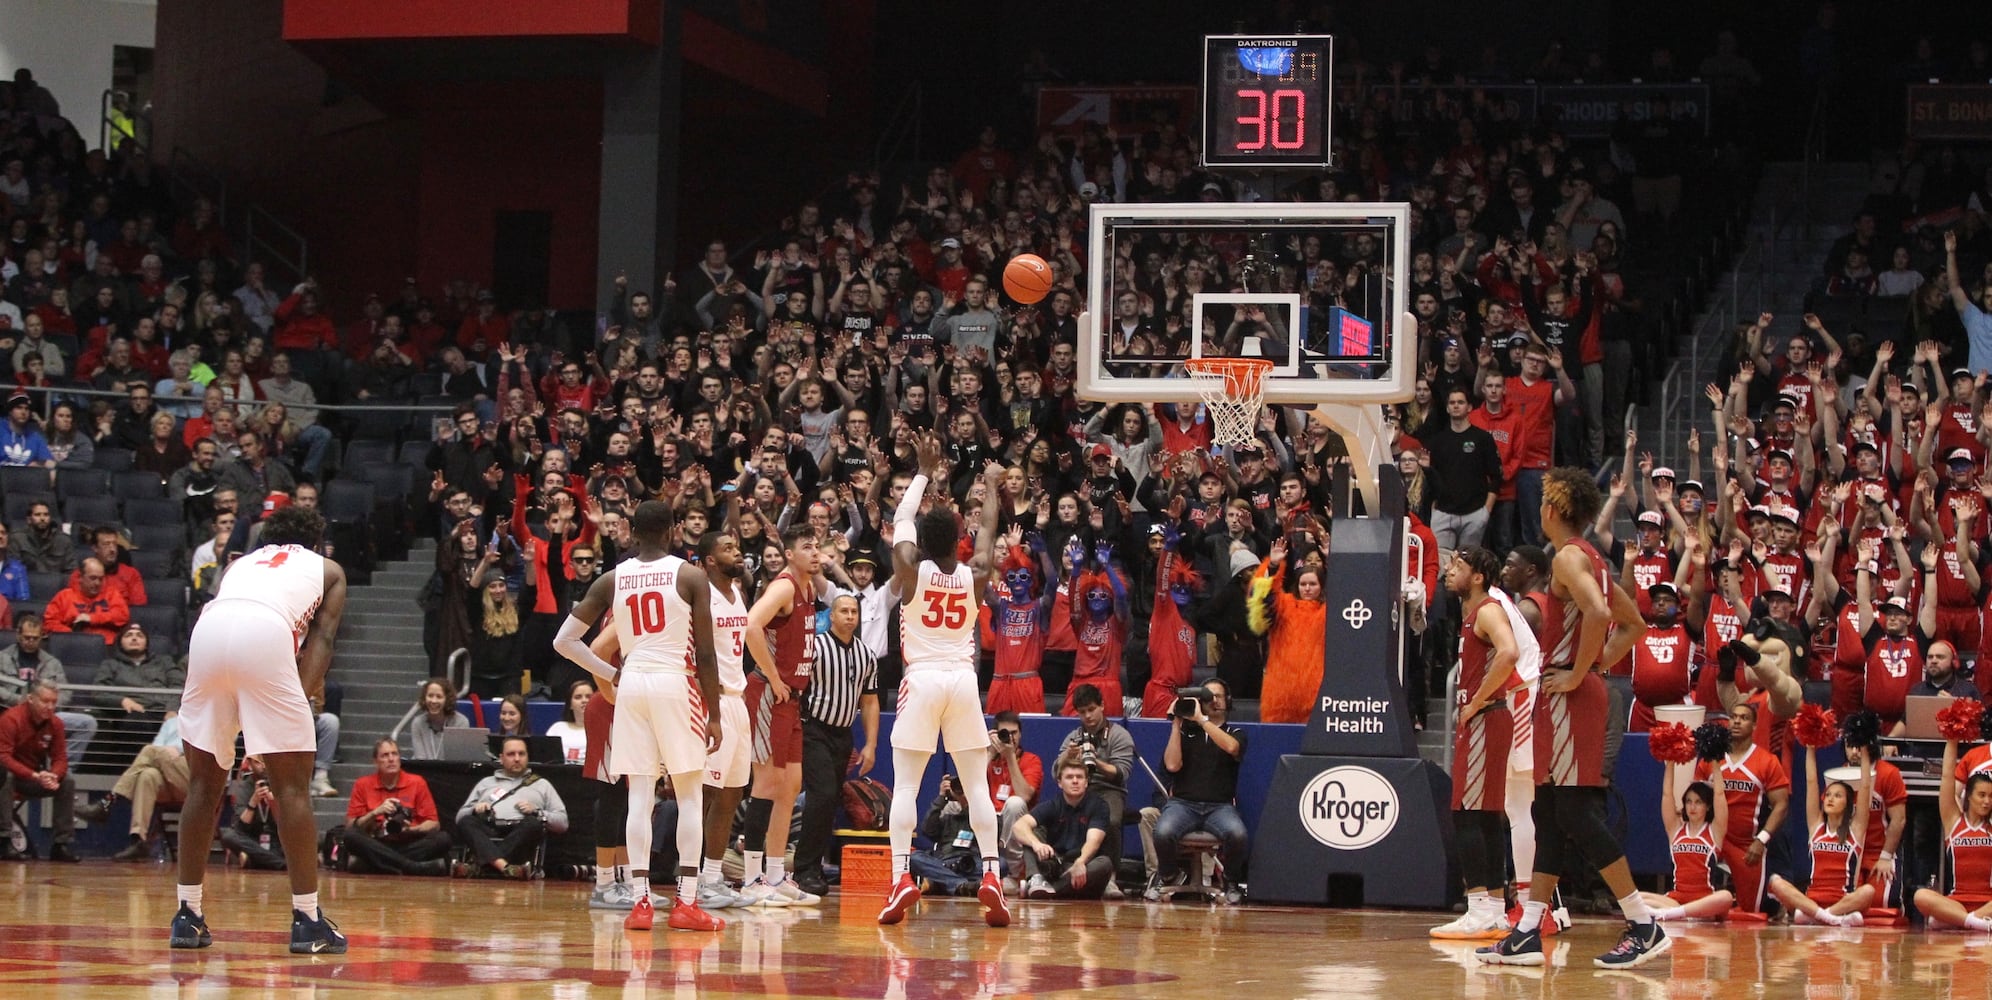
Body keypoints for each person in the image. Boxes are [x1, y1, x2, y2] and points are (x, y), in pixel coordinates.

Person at [1480, 468, 1664, 970]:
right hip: (1572, 693)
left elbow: (1602, 616)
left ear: (1553, 511)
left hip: (1571, 696)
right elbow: (1635, 624)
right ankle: (1526, 931)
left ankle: (1643, 922)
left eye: (1542, 504)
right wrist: (1598, 666)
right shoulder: (1593, 558)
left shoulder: (1566, 557)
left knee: (1578, 814)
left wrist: (1581, 671)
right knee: (1551, 815)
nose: (1538, 511)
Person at [169, 505, 348, 953]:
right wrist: (294, 705)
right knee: (292, 789)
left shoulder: (237, 563)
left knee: (202, 786)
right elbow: (322, 643)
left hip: (208, 631)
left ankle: (187, 916)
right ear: (316, 541)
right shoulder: (328, 569)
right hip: (267, 631)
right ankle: (308, 920)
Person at [553, 500, 726, 933]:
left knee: (639, 796)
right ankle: (687, 902)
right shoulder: (690, 576)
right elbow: (705, 652)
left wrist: (612, 673)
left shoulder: (614, 577)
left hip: (632, 686)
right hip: (675, 681)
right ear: (672, 530)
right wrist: (716, 713)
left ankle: (640, 902)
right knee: (688, 793)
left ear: (631, 530)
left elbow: (565, 641)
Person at [877, 435, 1009, 927]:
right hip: (962, 680)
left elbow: (901, 521)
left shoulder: (911, 572)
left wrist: (923, 472)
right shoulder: (975, 572)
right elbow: (990, 531)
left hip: (923, 678)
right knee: (977, 786)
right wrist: (992, 486)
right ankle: (993, 874)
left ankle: (900, 880)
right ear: (959, 540)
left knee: (907, 786)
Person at [1433, 547, 1533, 939]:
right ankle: (1492, 909)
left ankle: (1478, 908)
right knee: (1488, 814)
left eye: (1457, 566)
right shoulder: (1475, 612)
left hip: (1486, 717)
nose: (1448, 571)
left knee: (1467, 813)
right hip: (1490, 719)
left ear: (1477, 577)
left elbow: (1510, 652)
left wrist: (1476, 701)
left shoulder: (1488, 610)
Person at [736, 526, 824, 906]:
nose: (816, 551)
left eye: (817, 545)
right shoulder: (785, 586)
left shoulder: (811, 588)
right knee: (768, 784)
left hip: (792, 698)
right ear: (789, 554)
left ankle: (775, 875)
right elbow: (750, 625)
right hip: (770, 694)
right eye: (807, 547)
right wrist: (773, 676)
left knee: (791, 785)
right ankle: (751, 878)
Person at [792, 592, 880, 898]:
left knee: (830, 802)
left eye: (854, 611)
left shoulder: (866, 655)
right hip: (813, 729)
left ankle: (813, 868)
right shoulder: (815, 647)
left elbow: (869, 701)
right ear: (832, 615)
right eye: (843, 611)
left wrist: (870, 744)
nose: (850, 616)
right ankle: (804, 870)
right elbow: (796, 688)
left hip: (844, 734)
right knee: (822, 794)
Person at [690, 531, 757, 909]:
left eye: (737, 547)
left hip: (738, 699)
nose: (737, 552)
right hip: (711, 703)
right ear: (710, 561)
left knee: (732, 793)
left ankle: (713, 878)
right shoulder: (703, 596)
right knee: (704, 793)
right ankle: (692, 878)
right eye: (728, 549)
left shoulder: (737, 594)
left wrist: (733, 500)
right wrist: (711, 711)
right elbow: (704, 657)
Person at [1148, 678, 1249, 901]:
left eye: (1218, 696)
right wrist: (1176, 723)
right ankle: (1168, 876)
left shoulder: (1236, 731)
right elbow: (1172, 765)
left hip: (1219, 806)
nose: (1213, 700)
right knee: (1162, 832)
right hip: (1183, 804)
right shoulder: (1186, 732)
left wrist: (1203, 721)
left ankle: (1231, 882)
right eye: (1207, 696)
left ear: (1228, 700)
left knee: (1238, 834)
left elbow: (1232, 747)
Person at [1767, 744, 1875, 925]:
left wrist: (1864, 751)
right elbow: (1811, 781)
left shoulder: (1855, 830)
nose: (1830, 798)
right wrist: (1810, 747)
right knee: (1776, 882)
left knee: (1868, 891)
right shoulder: (1816, 827)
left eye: (1838, 795)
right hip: (1812, 901)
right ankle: (1831, 919)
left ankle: (1821, 916)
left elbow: (1865, 786)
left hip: (1843, 901)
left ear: (1848, 803)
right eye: (1829, 794)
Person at [454, 736, 568, 878]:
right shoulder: (486, 783)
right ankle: (506, 868)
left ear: (527, 757)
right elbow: (459, 818)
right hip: (489, 828)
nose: (517, 758)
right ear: (501, 758)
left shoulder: (542, 784)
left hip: (520, 832)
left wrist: (537, 812)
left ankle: (480, 867)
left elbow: (563, 823)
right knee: (467, 821)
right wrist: (474, 809)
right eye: (511, 754)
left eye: (521, 754)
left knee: (533, 824)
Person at [342, 738, 455, 877]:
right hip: (378, 842)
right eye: (385, 755)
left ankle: (377, 865)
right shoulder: (362, 784)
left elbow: (434, 824)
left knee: (443, 839)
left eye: (394, 754)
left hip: (408, 842)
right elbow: (351, 826)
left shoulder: (417, 782)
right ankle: (411, 867)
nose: (391, 759)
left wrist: (411, 830)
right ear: (375, 762)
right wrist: (374, 813)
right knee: (350, 836)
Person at [82, 716, 191, 861]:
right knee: (147, 775)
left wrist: (177, 750)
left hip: (196, 781)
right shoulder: (171, 722)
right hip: (168, 776)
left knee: (150, 751)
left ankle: (108, 802)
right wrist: (165, 754)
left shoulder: (210, 721)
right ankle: (138, 840)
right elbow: (157, 746)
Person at [1639, 763, 1735, 922]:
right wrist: (1670, 763)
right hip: (1676, 899)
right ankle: (1681, 913)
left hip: (1704, 901)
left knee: (1725, 897)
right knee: (1637, 897)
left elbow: (1719, 794)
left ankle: (1672, 914)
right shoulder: (1675, 830)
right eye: (1689, 801)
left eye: (1698, 802)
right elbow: (1667, 795)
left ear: (1708, 806)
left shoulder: (1714, 831)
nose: (1692, 806)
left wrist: (1716, 763)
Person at [1914, 735, 1992, 930]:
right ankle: (1973, 922)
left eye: (1991, 796)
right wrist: (1952, 739)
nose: (1987, 801)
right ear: (1969, 796)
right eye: (1981, 795)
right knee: (1920, 895)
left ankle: (1959, 920)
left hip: (1989, 904)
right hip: (1956, 901)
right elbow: (1947, 776)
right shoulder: (1954, 822)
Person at [0, 614, 97, 765]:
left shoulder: (52, 663)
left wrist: (46, 706)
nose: (30, 642)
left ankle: (62, 769)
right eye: (26, 637)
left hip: (46, 717)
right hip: (9, 713)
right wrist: (18, 700)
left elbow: (65, 692)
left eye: (35, 638)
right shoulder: (2, 658)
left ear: (42, 637)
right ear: (18, 635)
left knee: (87, 723)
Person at [1251, 537, 1328, 724]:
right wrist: (1273, 566)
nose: (1307, 589)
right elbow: (1262, 600)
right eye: (1303, 584)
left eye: (1313, 584)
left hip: (1316, 696)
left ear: (1322, 586)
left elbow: (1346, 594)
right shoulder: (1285, 605)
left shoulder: (1327, 611)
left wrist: (1332, 561)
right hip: (1279, 695)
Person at [0, 680, 78, 861]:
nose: (50, 706)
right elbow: (3, 757)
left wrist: (53, 775)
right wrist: (34, 775)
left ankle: (61, 844)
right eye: (45, 701)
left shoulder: (56, 724)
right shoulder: (11, 719)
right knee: (7, 776)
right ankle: (4, 840)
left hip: (34, 778)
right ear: (30, 699)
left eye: (54, 702)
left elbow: (60, 758)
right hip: (10, 776)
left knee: (67, 781)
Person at [1013, 761, 1115, 899]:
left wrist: (1080, 862)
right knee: (1030, 834)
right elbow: (1019, 826)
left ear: (1086, 782)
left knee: (1105, 864)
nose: (1075, 781)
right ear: (1060, 783)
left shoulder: (1099, 806)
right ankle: (1036, 879)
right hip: (1057, 864)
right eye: (1069, 777)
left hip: (1084, 865)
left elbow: (1094, 841)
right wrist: (1036, 844)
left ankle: (1047, 890)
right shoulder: (1053, 805)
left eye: (1079, 777)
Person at [218, 756, 289, 871]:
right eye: (258, 763)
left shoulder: (281, 785)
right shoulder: (243, 787)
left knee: (306, 837)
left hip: (277, 838)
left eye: (265, 762)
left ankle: (255, 860)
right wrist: (253, 802)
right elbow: (242, 825)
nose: (263, 766)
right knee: (228, 835)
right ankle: (281, 864)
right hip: (253, 837)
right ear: (250, 764)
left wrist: (273, 803)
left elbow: (284, 824)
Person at [43, 557, 130, 642]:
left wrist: (92, 618)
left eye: (101, 579)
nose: (97, 583)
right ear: (80, 577)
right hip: (73, 644)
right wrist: (71, 634)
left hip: (107, 646)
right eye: (93, 578)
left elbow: (122, 616)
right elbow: (49, 623)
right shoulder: (64, 596)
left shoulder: (112, 594)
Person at [403, 678, 470, 760]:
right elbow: (420, 759)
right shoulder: (417, 723)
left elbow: (458, 759)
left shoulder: (461, 722)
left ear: (447, 699)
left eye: (439, 697)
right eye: (430, 696)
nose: (434, 701)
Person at [546, 681, 593, 764]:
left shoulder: (602, 729)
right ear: (570, 704)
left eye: (588, 697)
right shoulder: (557, 728)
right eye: (578, 697)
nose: (584, 700)